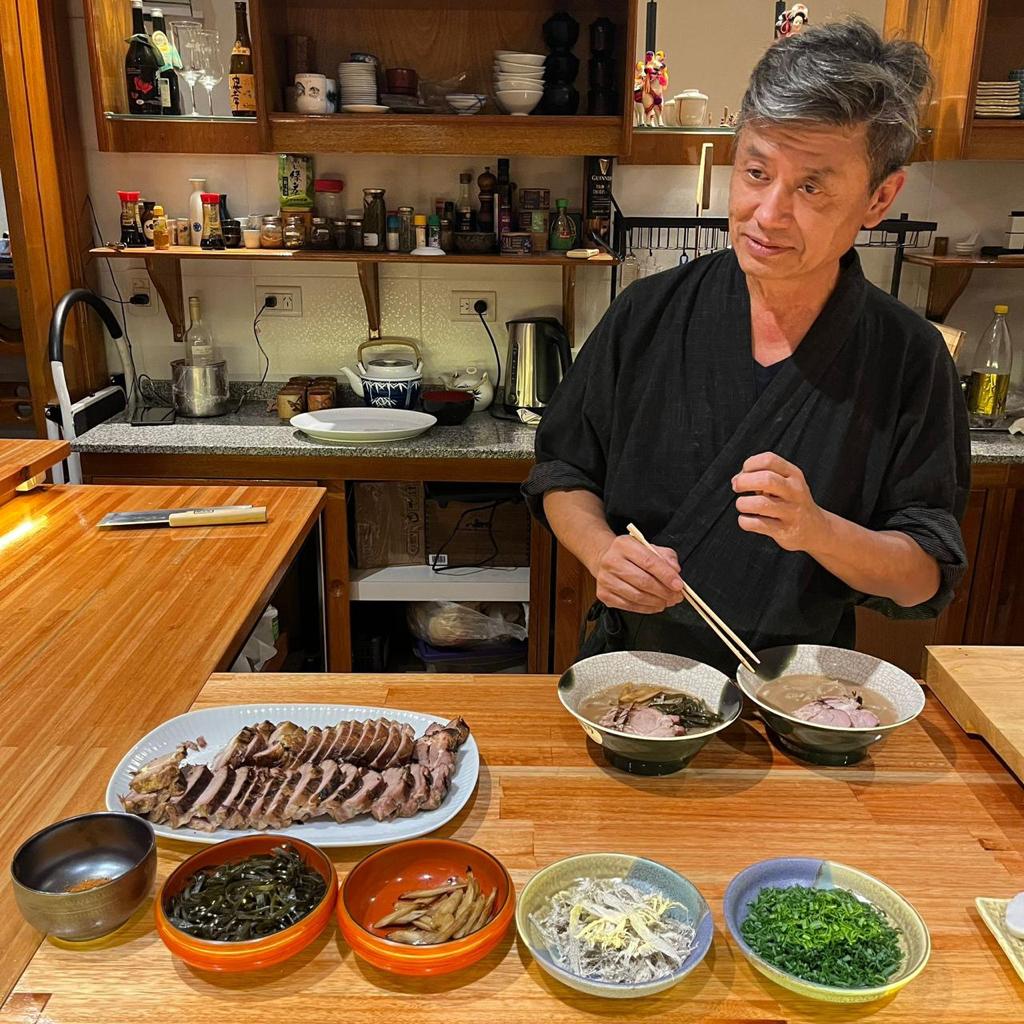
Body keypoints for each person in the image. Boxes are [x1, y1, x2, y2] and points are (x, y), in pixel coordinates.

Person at [523, 18, 971, 674]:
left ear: (880, 198)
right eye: (756, 172)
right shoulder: (648, 313)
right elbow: (563, 472)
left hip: (798, 690)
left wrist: (818, 530)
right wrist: (602, 553)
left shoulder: (909, 355)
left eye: (811, 187)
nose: (768, 214)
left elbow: (924, 577)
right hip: (631, 679)